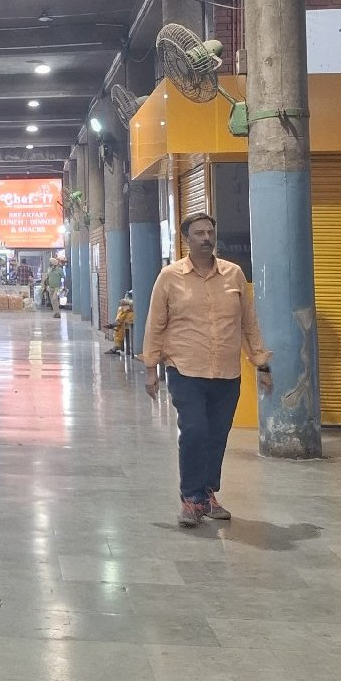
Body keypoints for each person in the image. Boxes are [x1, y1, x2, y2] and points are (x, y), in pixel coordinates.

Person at [142, 212, 273, 527]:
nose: (206, 238)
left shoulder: (233, 274)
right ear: (186, 238)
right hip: (185, 368)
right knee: (195, 431)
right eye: (199, 233)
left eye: (210, 232)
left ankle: (207, 493)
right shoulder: (169, 277)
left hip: (227, 371)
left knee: (216, 435)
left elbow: (248, 322)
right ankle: (190, 498)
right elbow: (155, 323)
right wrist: (151, 368)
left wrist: (261, 363)